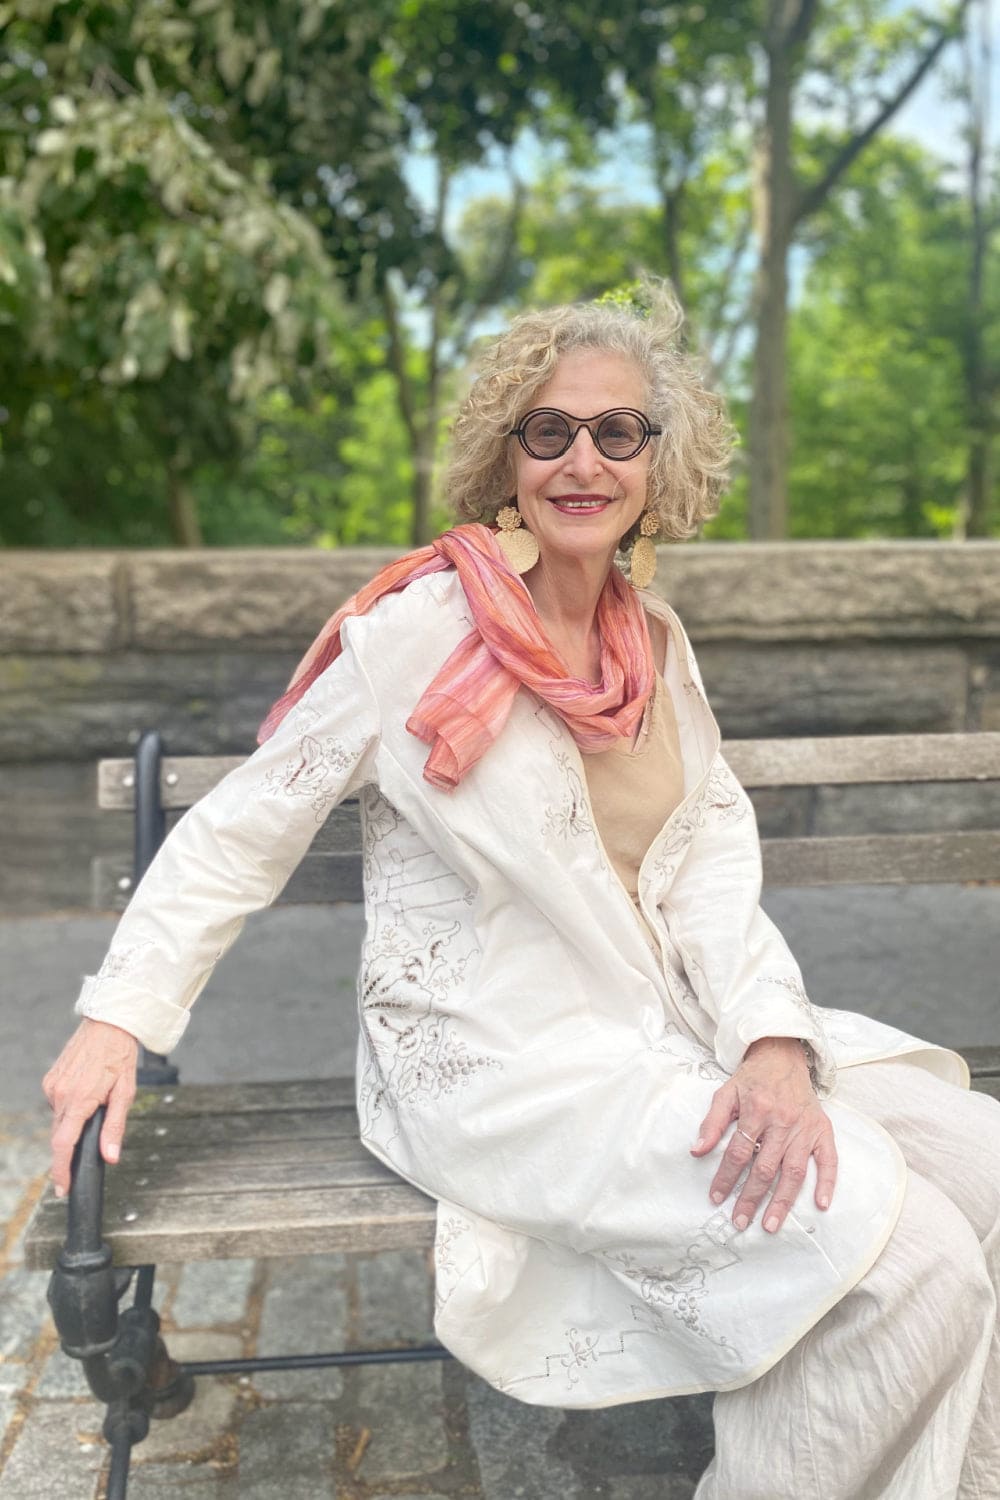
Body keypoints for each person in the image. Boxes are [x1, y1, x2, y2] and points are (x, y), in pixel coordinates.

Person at [44, 288, 1000, 1498]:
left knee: (984, 1176)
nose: (583, 461)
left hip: (661, 1025)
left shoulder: (651, 639)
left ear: (662, 459)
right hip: (496, 1062)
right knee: (904, 1260)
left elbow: (708, 860)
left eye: (618, 433)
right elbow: (242, 828)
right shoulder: (415, 633)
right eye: (548, 432)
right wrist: (119, 1015)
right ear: (506, 458)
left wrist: (768, 1037)